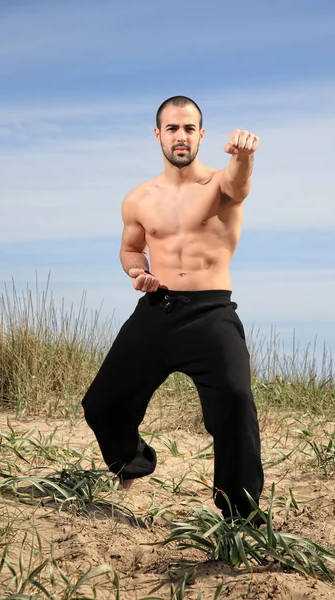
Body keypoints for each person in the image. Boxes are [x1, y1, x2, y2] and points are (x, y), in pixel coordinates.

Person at [82, 95, 264, 523]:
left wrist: (245, 156)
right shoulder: (139, 198)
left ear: (201, 135)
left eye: (188, 129)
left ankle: (242, 517)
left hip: (212, 313)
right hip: (157, 308)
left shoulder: (221, 185)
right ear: (157, 134)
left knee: (236, 403)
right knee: (101, 405)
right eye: (172, 128)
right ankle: (134, 461)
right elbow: (130, 248)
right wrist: (137, 271)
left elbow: (239, 184)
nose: (180, 137)